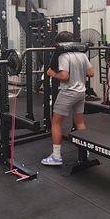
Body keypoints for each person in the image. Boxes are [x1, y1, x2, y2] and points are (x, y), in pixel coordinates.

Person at [41, 31, 94, 165]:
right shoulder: (82, 54)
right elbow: (91, 73)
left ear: (59, 44)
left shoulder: (63, 55)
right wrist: (79, 71)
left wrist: (52, 73)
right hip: (81, 92)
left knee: (56, 122)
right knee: (80, 122)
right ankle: (85, 150)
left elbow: (65, 77)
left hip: (68, 92)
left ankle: (56, 157)